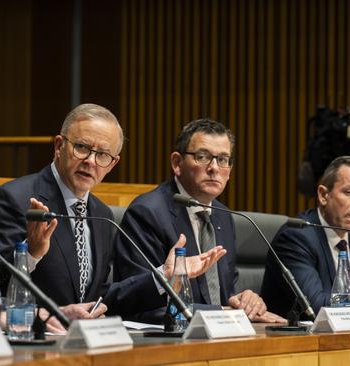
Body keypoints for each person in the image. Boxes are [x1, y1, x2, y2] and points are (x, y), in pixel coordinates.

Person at [0, 104, 225, 319]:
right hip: (30, 341)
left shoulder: (102, 215)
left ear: (113, 163)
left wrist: (164, 276)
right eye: (82, 147)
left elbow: (105, 298)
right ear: (59, 146)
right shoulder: (14, 199)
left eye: (103, 154)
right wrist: (29, 254)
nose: (91, 161)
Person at [114, 118, 285, 323]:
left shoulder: (223, 215)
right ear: (177, 163)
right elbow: (137, 303)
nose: (214, 168)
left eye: (223, 159)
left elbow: (226, 294)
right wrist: (224, 313)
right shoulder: (148, 213)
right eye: (202, 157)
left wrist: (245, 302)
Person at [261, 156, 350, 319]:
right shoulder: (296, 237)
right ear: (323, 195)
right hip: (301, 341)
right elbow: (316, 305)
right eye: (349, 192)